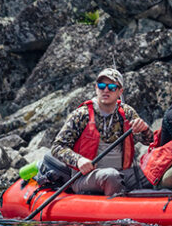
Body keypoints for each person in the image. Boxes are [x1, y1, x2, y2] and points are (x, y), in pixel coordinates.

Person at [50, 68, 153, 196]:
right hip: (86, 177)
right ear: (96, 88)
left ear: (120, 91)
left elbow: (149, 141)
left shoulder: (127, 113)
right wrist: (78, 160)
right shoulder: (82, 114)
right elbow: (57, 147)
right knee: (111, 176)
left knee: (151, 173)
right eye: (101, 86)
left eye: (111, 87)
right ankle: (112, 209)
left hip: (122, 173)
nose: (105, 90)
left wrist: (144, 129)